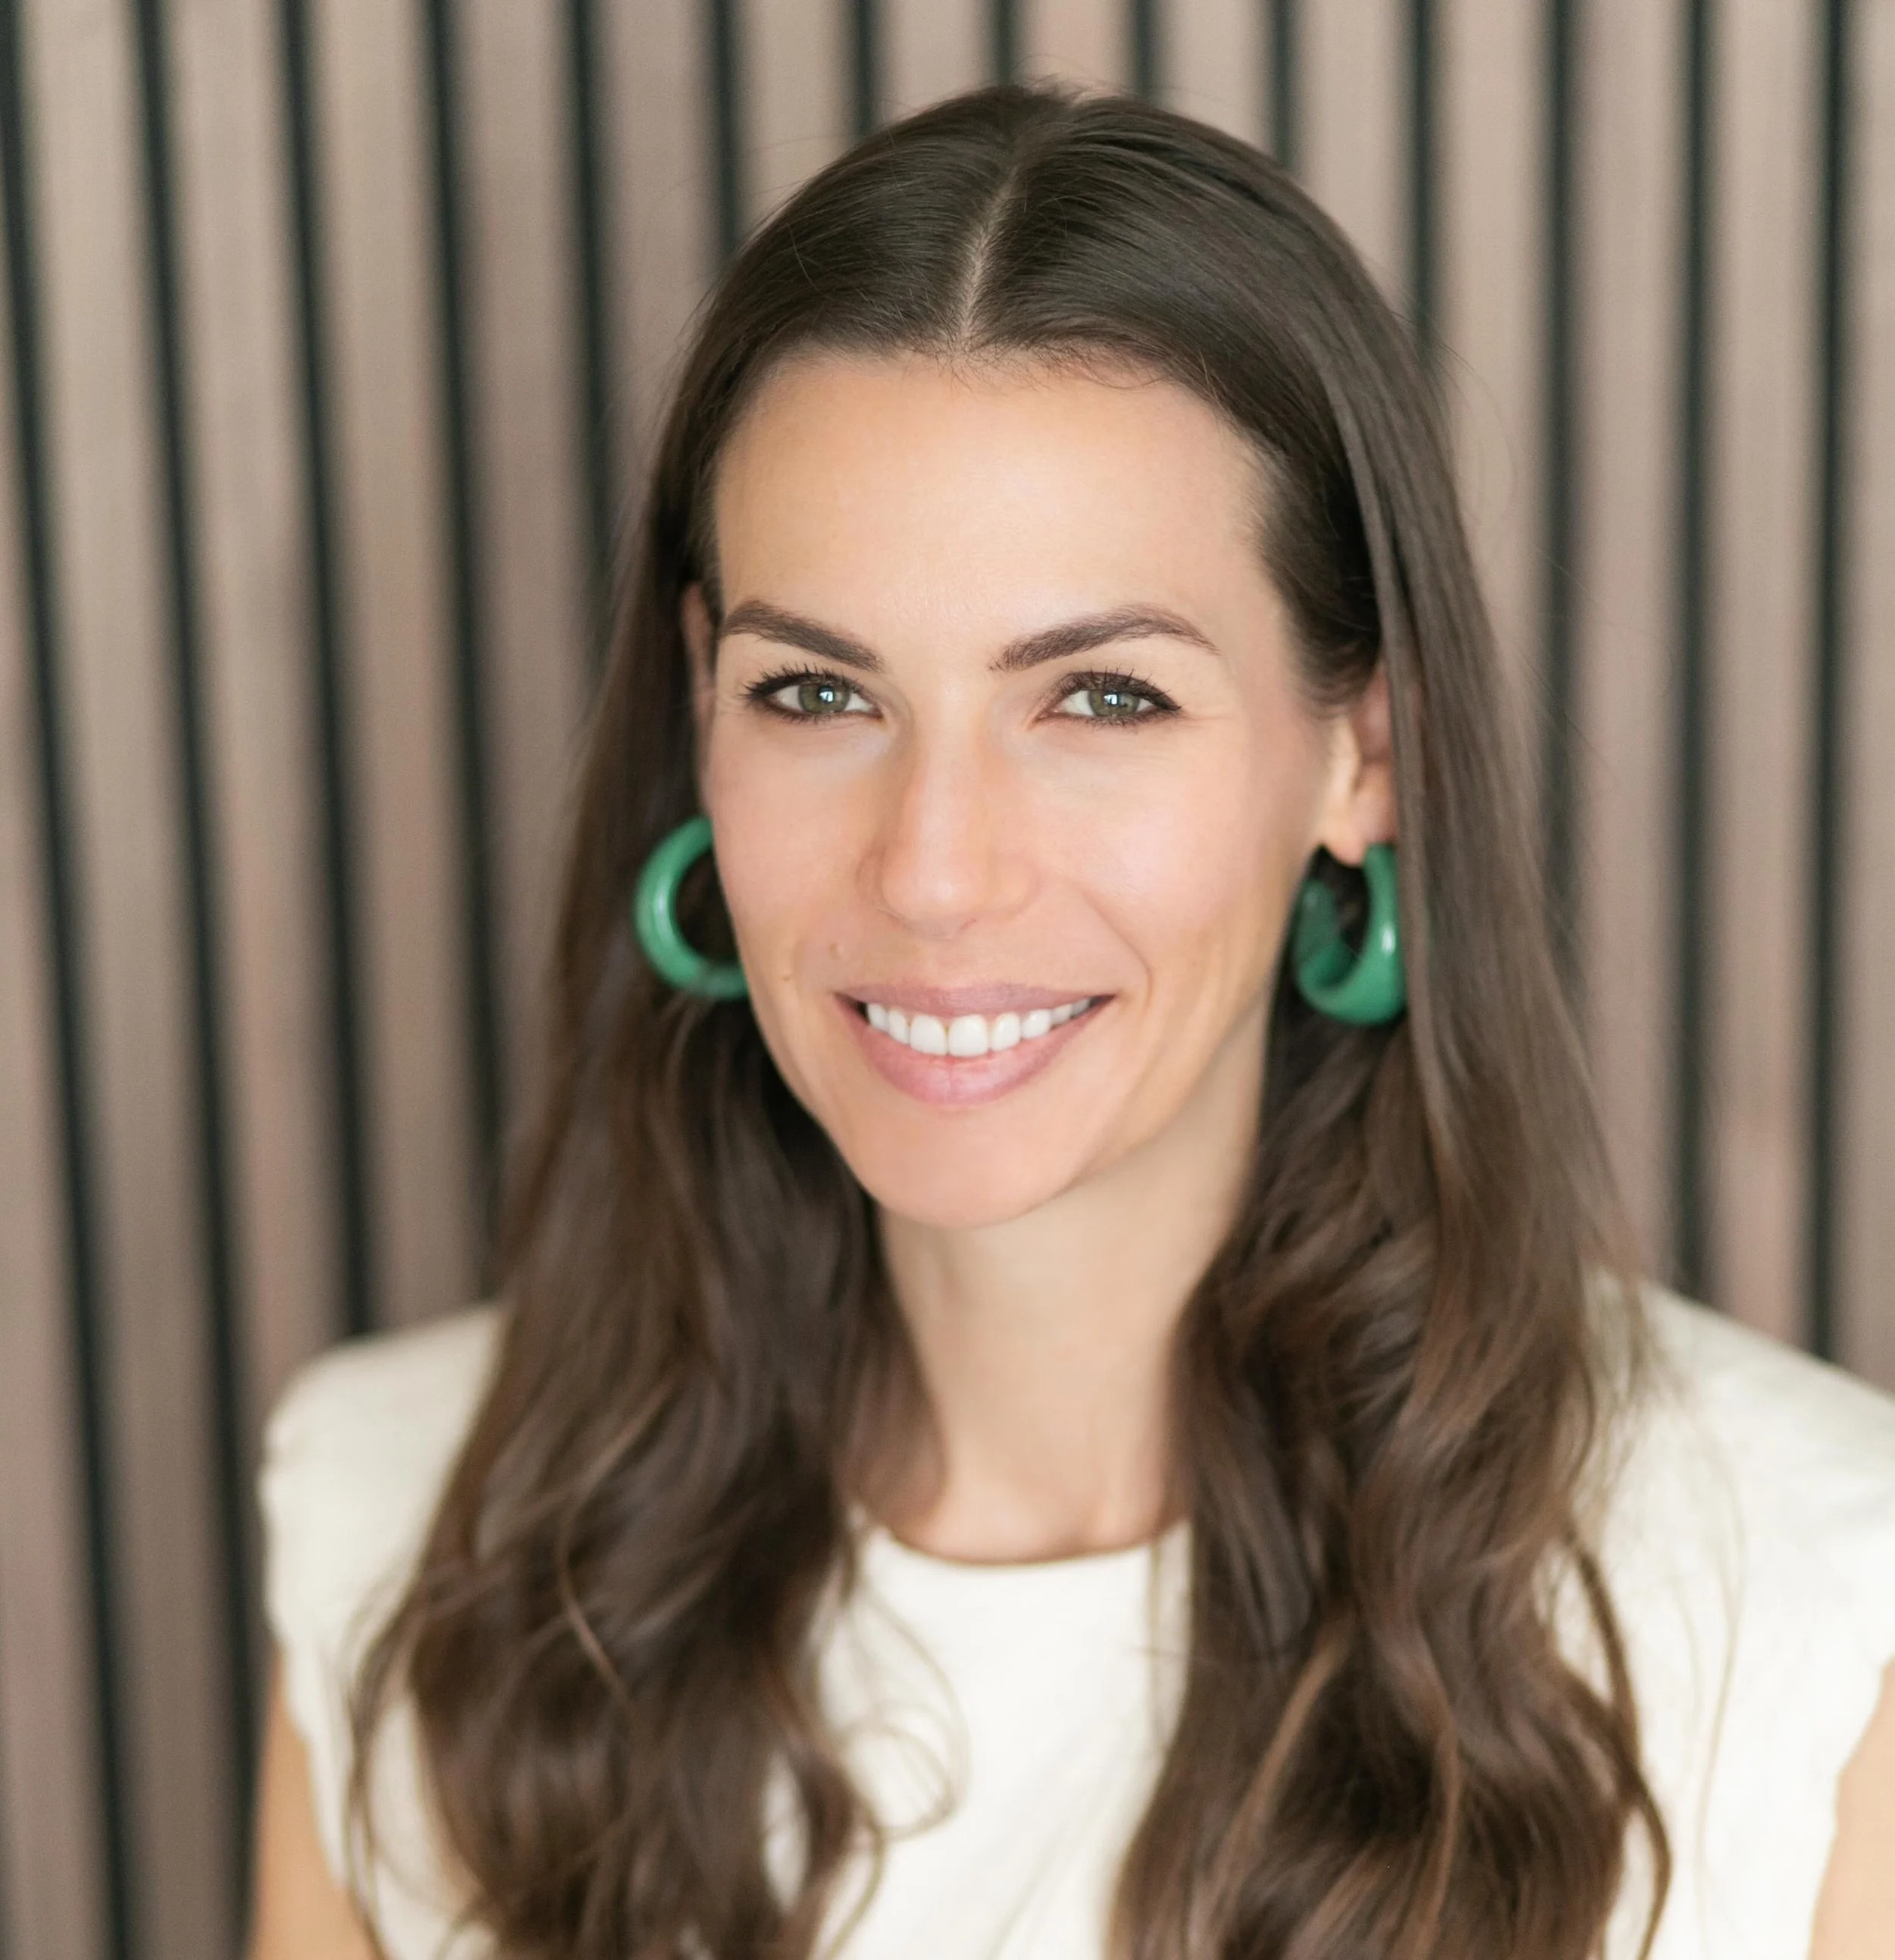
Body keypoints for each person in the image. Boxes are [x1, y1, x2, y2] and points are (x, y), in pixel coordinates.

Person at [246, 85, 1895, 1960]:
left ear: (1364, 755)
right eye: (817, 694)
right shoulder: (408, 1527)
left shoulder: (1804, 1629)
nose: (935, 873)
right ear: (701, 703)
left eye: (1100, 701)